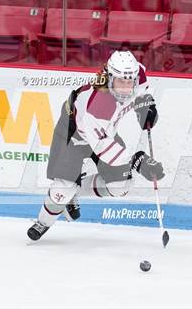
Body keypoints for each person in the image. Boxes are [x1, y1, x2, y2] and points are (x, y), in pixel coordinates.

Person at [27, 50, 165, 241]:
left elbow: (143, 89)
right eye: (120, 83)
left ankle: (74, 190)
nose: (126, 89)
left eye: (129, 83)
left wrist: (147, 106)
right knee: (61, 191)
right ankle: (43, 222)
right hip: (74, 134)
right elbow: (104, 149)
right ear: (109, 78)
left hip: (105, 133)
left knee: (120, 186)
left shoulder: (135, 74)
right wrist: (137, 160)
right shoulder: (98, 103)